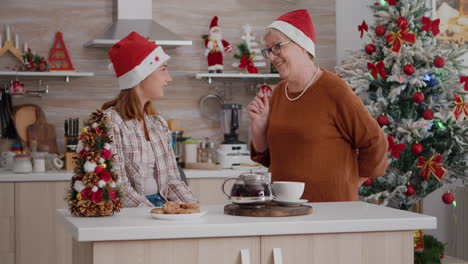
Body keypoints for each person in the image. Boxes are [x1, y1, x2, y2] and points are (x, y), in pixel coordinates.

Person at [248, 10, 389, 202]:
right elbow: (272, 159)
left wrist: (349, 184)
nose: (272, 57)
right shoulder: (280, 92)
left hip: (328, 212)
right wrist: (259, 128)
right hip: (283, 209)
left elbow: (376, 143)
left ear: (302, 45)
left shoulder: (334, 89)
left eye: (277, 47)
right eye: (269, 51)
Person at [102, 32, 198, 207]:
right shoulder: (111, 122)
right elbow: (119, 187)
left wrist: (194, 208)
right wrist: (155, 212)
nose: (169, 78)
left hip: (161, 206)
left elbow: (173, 181)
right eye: (163, 69)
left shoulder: (157, 123)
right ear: (141, 75)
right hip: (131, 213)